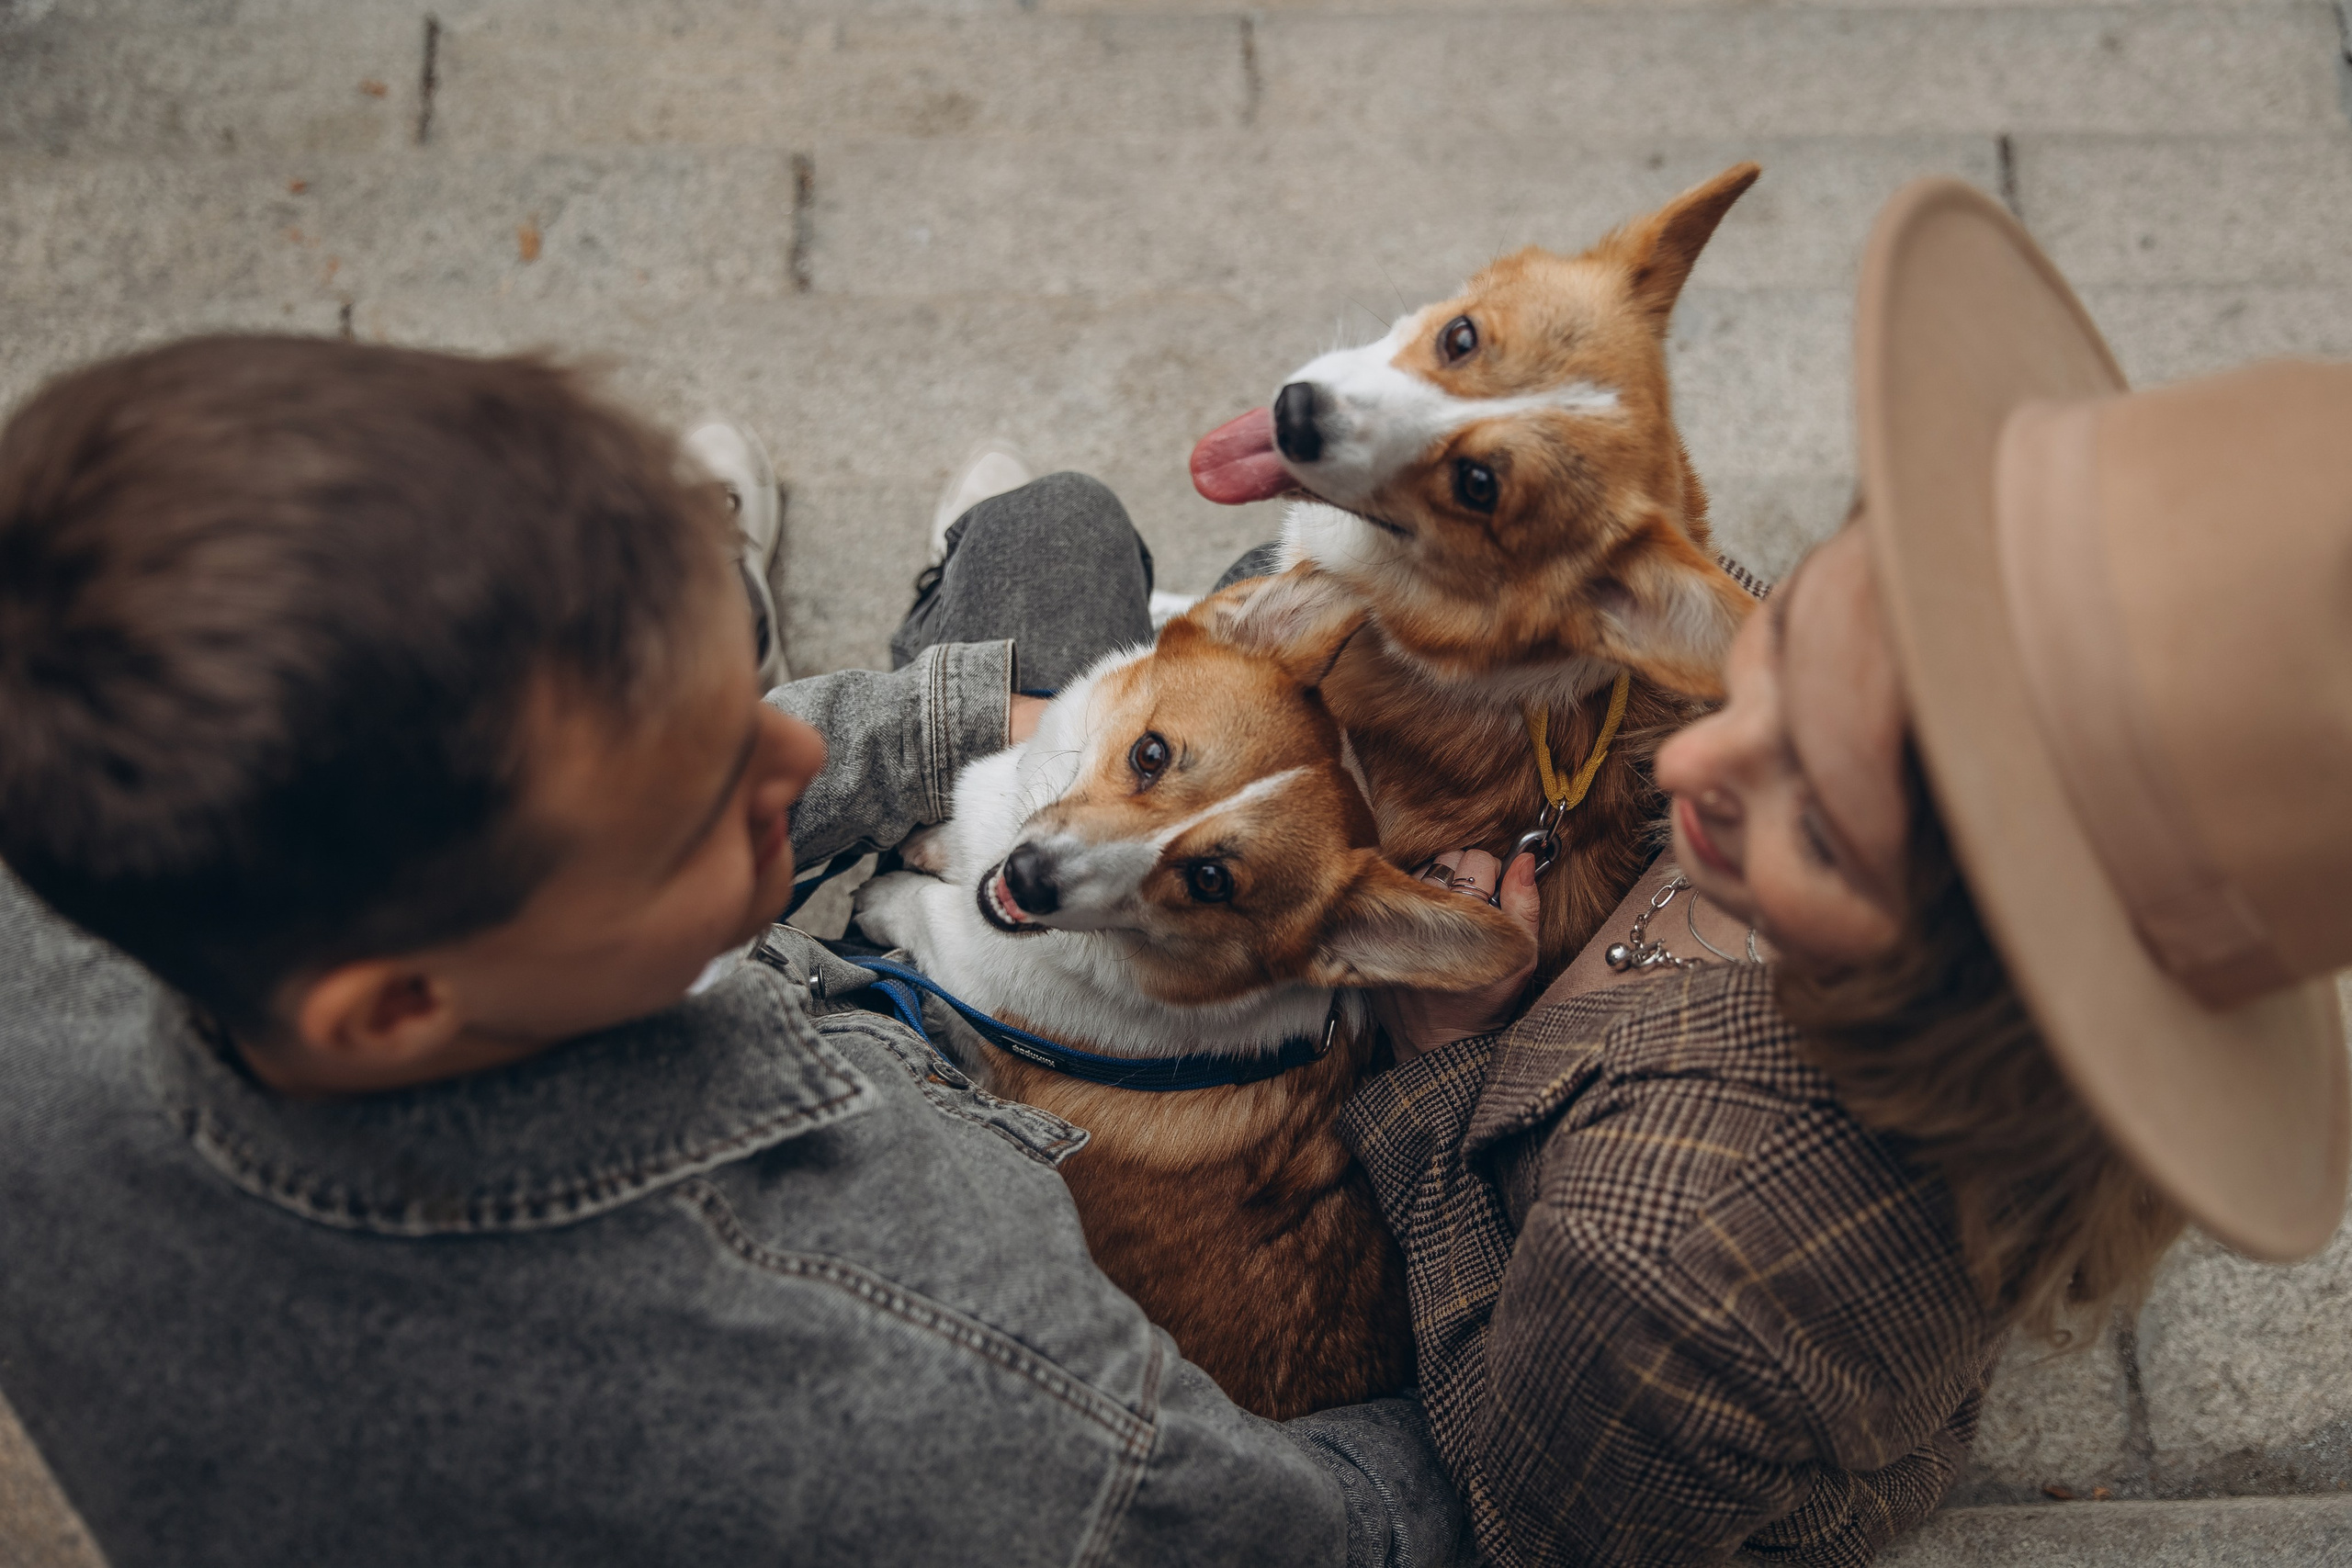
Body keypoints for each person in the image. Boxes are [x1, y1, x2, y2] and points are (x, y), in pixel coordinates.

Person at [0, 336, 1469, 1567]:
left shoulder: (67, 930)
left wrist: (943, 731)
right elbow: (1337, 1535)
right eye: (700, 786)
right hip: (930, 1084)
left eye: (740, 694)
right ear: (392, 1006)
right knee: (1081, 545)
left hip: (818, 1007)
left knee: (1064, 545)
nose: (793, 747)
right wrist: (1478, 1082)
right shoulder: (951, 1354)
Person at [1342, 178, 2352, 1565]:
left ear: (1975, 964)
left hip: (1554, 1419)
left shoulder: (1667, 1259)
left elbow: (1523, 1506)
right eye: (1799, 630)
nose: (1694, 765)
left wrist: (1443, 1071)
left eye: (1817, 822)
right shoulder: (2048, 937)